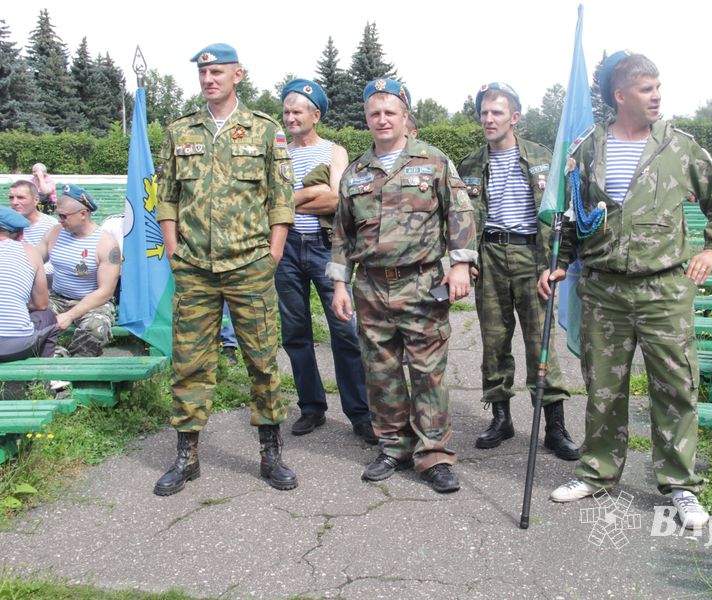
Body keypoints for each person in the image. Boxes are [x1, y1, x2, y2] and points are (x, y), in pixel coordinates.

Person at [538, 51, 712, 529]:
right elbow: (570, 217)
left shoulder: (680, 146)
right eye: (647, 89)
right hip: (604, 290)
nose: (657, 96)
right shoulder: (588, 149)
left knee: (675, 388)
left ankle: (680, 486)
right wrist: (559, 264)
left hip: (666, 288)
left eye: (658, 87)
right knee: (603, 388)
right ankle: (598, 471)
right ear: (620, 95)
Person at [154, 43, 297, 496]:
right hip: (194, 266)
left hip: (250, 263)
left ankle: (270, 453)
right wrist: (174, 248)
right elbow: (168, 195)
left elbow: (281, 199)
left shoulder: (265, 130)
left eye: (218, 71)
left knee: (261, 360)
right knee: (189, 362)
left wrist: (272, 254)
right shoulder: (180, 131)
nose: (209, 79)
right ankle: (187, 456)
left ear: (238, 75)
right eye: (203, 73)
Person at [328, 78, 477, 494]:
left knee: (429, 373)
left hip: (422, 282)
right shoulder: (356, 172)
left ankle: (433, 454)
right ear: (367, 119)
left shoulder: (432, 161)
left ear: (405, 116)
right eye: (374, 113)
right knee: (381, 371)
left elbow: (460, 214)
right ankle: (393, 445)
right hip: (371, 287)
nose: (382, 120)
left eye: (390, 112)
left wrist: (462, 265)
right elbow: (342, 234)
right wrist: (340, 284)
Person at [457, 82, 578, 460]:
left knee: (539, 345)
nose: (489, 119)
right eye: (484, 113)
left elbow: (566, 218)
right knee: (494, 343)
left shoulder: (545, 160)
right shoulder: (470, 165)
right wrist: (466, 258)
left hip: (532, 258)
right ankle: (500, 418)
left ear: (515, 117)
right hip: (490, 255)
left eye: (497, 112)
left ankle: (554, 427)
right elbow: (462, 218)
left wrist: (557, 265)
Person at [276, 78, 374, 444]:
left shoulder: (334, 151)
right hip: (284, 248)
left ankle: (360, 413)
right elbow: (268, 202)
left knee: (344, 329)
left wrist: (289, 198)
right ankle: (311, 408)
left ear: (315, 115)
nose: (290, 117)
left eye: (297, 111)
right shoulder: (278, 152)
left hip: (324, 246)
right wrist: (309, 193)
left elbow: (336, 201)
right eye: (286, 111)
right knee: (295, 331)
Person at [36, 185, 120, 361]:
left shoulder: (106, 243)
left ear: (83, 214)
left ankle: (76, 366)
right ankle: (57, 357)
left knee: (96, 329)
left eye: (64, 216)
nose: (60, 220)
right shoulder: (55, 233)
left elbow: (105, 291)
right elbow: (33, 262)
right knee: (31, 322)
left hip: (93, 301)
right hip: (57, 297)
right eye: (58, 215)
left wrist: (69, 315)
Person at [0, 206, 58, 362]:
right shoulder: (30, 252)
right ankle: (45, 378)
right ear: (21, 235)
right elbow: (41, 304)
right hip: (16, 347)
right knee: (48, 315)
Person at [8, 180, 58, 280]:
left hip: (41, 283)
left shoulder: (51, 225)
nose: (14, 202)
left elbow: (56, 263)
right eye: (11, 198)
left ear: (36, 200)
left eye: (20, 197)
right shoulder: (6, 225)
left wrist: (25, 271)